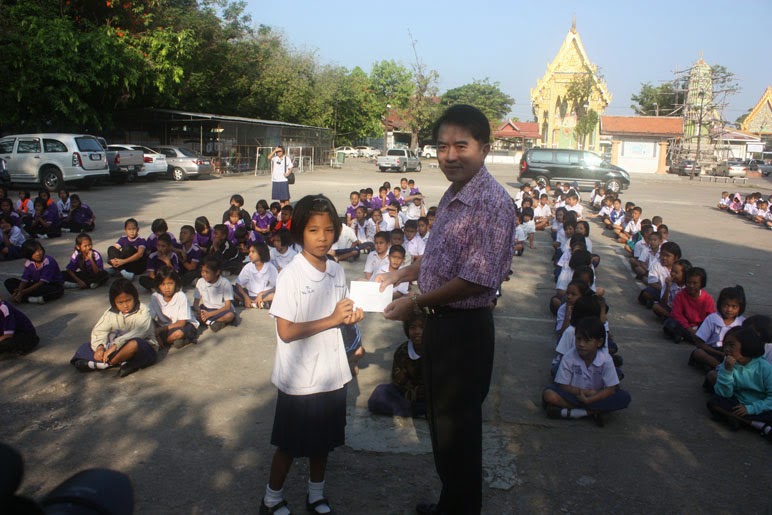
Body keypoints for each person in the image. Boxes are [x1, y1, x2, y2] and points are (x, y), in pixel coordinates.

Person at [377, 105, 515, 515]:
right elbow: (440, 258)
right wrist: (403, 273)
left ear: (484, 149)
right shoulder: (455, 192)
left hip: (464, 331)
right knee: (442, 425)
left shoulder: (491, 203)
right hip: (441, 325)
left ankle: (461, 508)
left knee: (459, 433)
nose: (450, 156)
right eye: (442, 147)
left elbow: (477, 280)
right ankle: (450, 505)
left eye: (461, 146)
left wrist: (415, 303)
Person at [260, 194, 364, 515]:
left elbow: (341, 315)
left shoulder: (336, 271)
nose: (323, 238)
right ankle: (271, 500)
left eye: (329, 230)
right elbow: (286, 331)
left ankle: (316, 495)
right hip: (300, 378)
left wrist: (350, 319)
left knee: (323, 443)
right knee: (289, 445)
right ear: (299, 232)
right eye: (314, 230)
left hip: (331, 374)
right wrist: (332, 319)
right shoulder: (290, 275)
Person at [543, 316, 630, 426]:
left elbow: (610, 389)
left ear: (599, 342)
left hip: (597, 395)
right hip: (574, 395)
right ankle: (593, 412)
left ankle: (574, 412)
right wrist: (586, 393)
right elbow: (563, 386)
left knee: (624, 397)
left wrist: (590, 399)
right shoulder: (569, 357)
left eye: (587, 340)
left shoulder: (606, 360)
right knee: (549, 394)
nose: (581, 344)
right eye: (578, 339)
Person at [70, 278, 157, 377]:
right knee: (86, 346)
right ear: (114, 302)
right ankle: (122, 362)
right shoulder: (111, 312)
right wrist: (100, 347)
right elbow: (100, 330)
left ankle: (105, 364)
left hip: (140, 347)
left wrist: (115, 345)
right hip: (114, 349)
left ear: (135, 297)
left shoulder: (143, 310)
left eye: (128, 300)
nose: (125, 305)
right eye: (120, 303)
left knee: (134, 344)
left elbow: (141, 330)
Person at [706, 326, 772, 441]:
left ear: (747, 345)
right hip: (739, 404)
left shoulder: (765, 368)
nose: (726, 349)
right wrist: (727, 371)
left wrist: (751, 409)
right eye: (725, 345)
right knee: (715, 401)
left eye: (731, 345)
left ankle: (741, 420)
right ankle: (759, 426)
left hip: (762, 406)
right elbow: (724, 394)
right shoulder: (727, 364)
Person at [368, 312, 426, 417]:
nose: (417, 332)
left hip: (429, 395)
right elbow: (398, 382)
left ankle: (417, 410)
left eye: (422, 327)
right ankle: (421, 411)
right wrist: (412, 393)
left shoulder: (435, 348)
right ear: (407, 330)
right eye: (413, 327)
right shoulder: (402, 351)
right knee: (379, 395)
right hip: (406, 394)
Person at [690, 285, 746, 370]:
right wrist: (719, 353)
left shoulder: (742, 322)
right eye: (726, 305)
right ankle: (719, 367)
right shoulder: (712, 319)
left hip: (732, 353)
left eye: (734, 306)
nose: (729, 309)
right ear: (720, 304)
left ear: (740, 308)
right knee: (698, 353)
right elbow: (699, 343)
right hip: (712, 351)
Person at [149, 268, 199, 349]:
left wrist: (162, 329)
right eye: (163, 284)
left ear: (176, 283)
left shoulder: (180, 296)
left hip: (184, 325)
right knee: (149, 332)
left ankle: (167, 342)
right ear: (158, 285)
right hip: (165, 327)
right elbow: (151, 318)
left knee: (178, 333)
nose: (167, 287)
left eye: (170, 283)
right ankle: (178, 341)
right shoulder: (155, 297)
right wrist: (157, 334)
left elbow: (182, 323)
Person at [664, 267, 715, 344]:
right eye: (689, 282)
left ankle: (684, 337)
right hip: (685, 326)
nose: (691, 286)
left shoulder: (707, 299)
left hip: (700, 327)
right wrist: (689, 329)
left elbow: (710, 317)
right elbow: (677, 314)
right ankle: (693, 338)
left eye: (695, 283)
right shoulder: (680, 296)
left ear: (702, 284)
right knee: (669, 323)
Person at [4, 239, 64, 305]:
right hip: (35, 284)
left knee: (57, 291)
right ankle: (27, 297)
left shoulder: (49, 261)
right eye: (34, 252)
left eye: (40, 250)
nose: (38, 253)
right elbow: (25, 280)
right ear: (28, 254)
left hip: (50, 284)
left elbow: (42, 282)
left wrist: (22, 292)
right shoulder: (29, 263)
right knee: (9, 282)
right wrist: (20, 290)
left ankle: (26, 299)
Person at [193, 256, 237, 332]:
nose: (204, 274)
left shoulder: (225, 283)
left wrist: (210, 314)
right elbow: (195, 303)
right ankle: (213, 322)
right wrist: (200, 312)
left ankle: (208, 321)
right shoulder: (200, 281)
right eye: (202, 271)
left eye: (207, 272)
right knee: (189, 313)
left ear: (217, 272)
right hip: (206, 309)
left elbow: (227, 306)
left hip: (221, 310)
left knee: (230, 315)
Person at [235, 242, 277, 309]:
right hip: (249, 295)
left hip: (264, 296)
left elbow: (275, 287)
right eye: (249, 252)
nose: (249, 255)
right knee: (230, 288)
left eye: (253, 252)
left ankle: (250, 303)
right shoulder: (248, 267)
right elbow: (238, 284)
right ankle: (254, 303)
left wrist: (261, 293)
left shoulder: (271, 268)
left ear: (261, 253)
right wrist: (246, 297)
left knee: (275, 295)